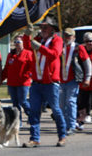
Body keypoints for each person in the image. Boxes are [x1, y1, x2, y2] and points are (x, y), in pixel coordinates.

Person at [22, 16, 68, 148]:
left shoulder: (57, 40)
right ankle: (34, 138)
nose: (42, 29)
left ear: (52, 29)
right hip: (37, 82)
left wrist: (40, 47)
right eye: (41, 27)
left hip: (51, 83)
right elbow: (27, 46)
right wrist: (27, 35)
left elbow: (54, 54)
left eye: (45, 27)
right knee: (34, 111)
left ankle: (62, 136)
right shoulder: (38, 39)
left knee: (56, 110)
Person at [59, 28, 91, 134]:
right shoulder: (60, 47)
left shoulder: (78, 48)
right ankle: (64, 124)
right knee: (62, 104)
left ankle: (72, 125)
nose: (67, 38)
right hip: (61, 79)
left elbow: (87, 63)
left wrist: (88, 77)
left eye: (69, 36)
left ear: (74, 37)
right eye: (65, 35)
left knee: (71, 101)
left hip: (73, 79)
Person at [0, 34, 34, 127]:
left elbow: (32, 67)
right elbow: (6, 68)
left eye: (18, 42)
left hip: (23, 82)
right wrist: (1, 79)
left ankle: (32, 116)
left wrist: (28, 75)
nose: (16, 44)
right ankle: (18, 122)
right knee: (15, 104)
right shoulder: (11, 54)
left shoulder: (28, 53)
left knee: (23, 101)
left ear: (23, 43)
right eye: (15, 42)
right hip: (12, 83)